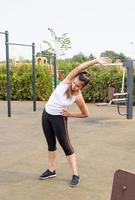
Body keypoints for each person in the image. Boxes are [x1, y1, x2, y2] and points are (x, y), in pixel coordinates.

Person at [40, 57, 108, 187]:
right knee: (51, 144)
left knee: (66, 145)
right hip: (46, 115)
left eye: (77, 85)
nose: (74, 85)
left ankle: (75, 174)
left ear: (82, 87)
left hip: (59, 118)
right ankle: (51, 170)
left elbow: (85, 114)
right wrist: (96, 61)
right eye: (74, 82)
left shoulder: (78, 97)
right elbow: (80, 67)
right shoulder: (67, 81)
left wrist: (69, 114)